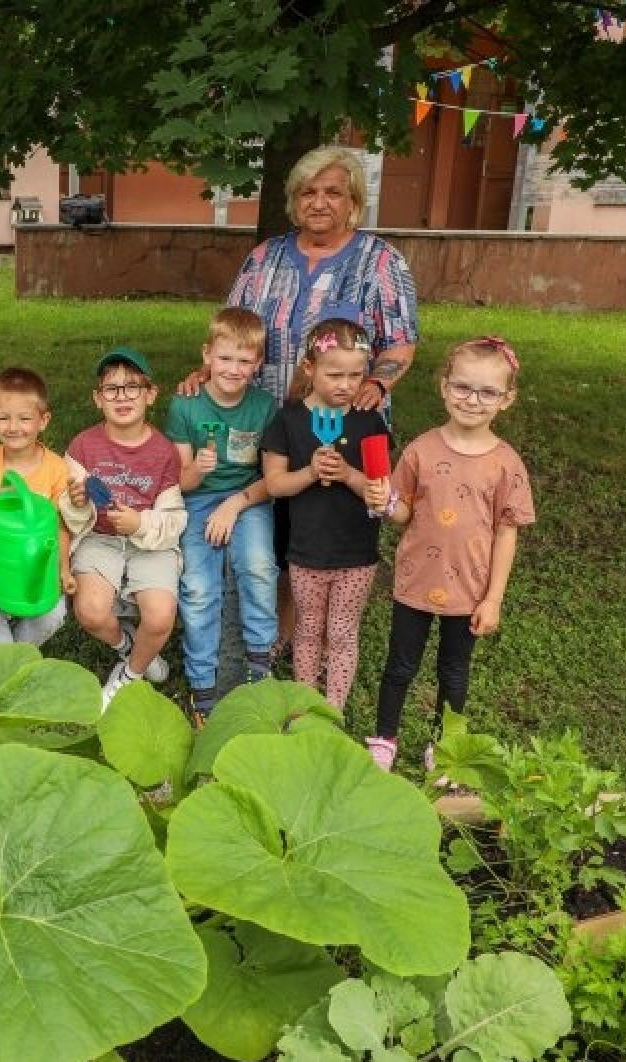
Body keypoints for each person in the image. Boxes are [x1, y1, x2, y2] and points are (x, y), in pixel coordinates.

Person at [180, 145, 421, 660]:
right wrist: (207, 372)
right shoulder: (264, 258)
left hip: (345, 420)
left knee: (325, 521)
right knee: (277, 520)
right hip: (272, 421)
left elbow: (401, 340)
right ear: (294, 200)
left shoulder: (381, 261)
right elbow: (234, 331)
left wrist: (377, 383)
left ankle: (315, 629)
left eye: (333, 192)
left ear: (353, 201)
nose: (319, 202)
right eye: (308, 191)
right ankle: (275, 633)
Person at [363, 336, 536, 771]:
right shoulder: (422, 449)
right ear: (443, 387)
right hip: (417, 580)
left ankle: (444, 746)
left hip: (470, 589)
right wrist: (382, 500)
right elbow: (403, 512)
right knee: (400, 665)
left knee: (453, 673)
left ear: (506, 400)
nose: (472, 400)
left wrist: (493, 597)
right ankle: (384, 738)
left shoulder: (506, 464)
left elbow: (506, 533)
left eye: (488, 392)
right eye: (462, 387)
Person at [262, 319, 391, 715]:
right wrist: (311, 473)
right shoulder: (288, 421)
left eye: (356, 375)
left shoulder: (370, 422)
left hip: (356, 553)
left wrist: (350, 475)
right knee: (307, 629)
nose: (346, 384)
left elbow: (381, 492)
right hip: (305, 551)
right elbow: (275, 485)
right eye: (334, 374)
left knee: (341, 632)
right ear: (309, 368)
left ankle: (332, 709)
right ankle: (304, 706)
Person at [164, 309, 277, 723]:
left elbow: (273, 478)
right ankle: (203, 690)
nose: (233, 369)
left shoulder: (265, 407)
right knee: (197, 588)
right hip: (196, 501)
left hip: (249, 500)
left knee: (259, 566)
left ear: (258, 364)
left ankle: (259, 670)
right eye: (225, 358)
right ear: (207, 355)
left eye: (244, 361)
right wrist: (197, 471)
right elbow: (180, 481)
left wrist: (234, 504)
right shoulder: (185, 405)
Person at [60, 347, 186, 708]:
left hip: (150, 542)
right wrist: (78, 502)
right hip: (99, 538)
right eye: (112, 389)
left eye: (133, 387)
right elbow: (71, 516)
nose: (122, 396)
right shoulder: (84, 446)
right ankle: (129, 648)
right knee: (91, 612)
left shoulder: (164, 452)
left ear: (151, 394)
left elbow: (174, 518)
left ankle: (128, 675)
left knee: (161, 617)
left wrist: (139, 523)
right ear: (98, 399)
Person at [0, 367, 74, 646]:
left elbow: (61, 528)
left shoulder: (55, 469)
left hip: (40, 557)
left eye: (25, 418)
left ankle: (23, 650)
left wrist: (63, 569)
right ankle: (8, 658)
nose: (14, 427)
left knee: (52, 614)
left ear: (43, 420)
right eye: (4, 418)